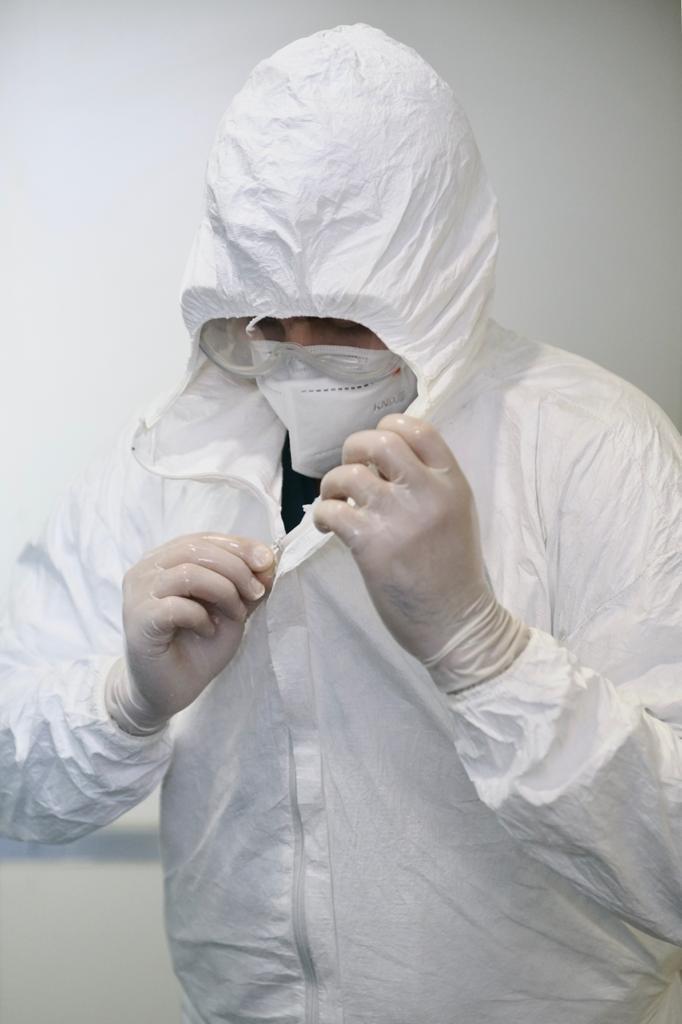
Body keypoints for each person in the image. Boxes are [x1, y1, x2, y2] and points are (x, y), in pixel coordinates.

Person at [1, 21, 680, 1023]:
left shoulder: (592, 446)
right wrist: (125, 700)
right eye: (270, 314)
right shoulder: (167, 456)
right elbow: (15, 779)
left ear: (433, 277)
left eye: (348, 316)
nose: (300, 351)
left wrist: (483, 651)